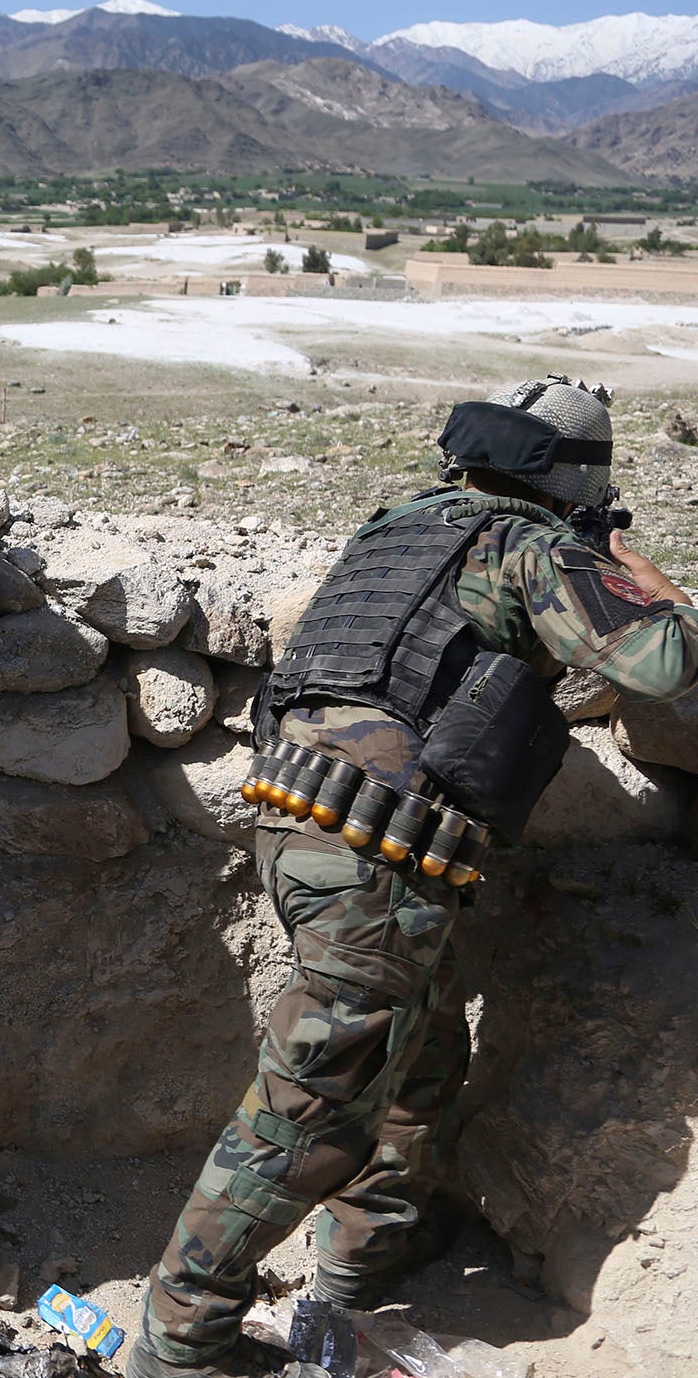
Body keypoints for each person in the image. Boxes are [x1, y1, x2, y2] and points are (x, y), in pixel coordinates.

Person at [128, 376, 698, 1378]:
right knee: (304, 1109)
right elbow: (655, 664)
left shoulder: (399, 527)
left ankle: (364, 1252)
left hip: (297, 818)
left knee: (421, 1048)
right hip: (371, 861)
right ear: (575, 480)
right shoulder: (531, 544)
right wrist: (649, 586)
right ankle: (179, 1336)